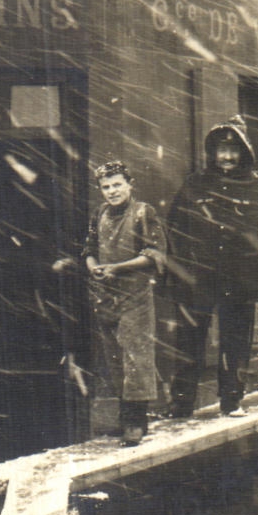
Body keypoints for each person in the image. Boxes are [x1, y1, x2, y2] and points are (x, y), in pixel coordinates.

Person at [164, 116, 258, 419]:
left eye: (234, 151)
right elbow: (174, 228)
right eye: (221, 150)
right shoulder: (195, 184)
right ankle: (181, 403)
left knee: (235, 340)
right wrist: (180, 269)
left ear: (245, 152)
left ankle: (232, 400)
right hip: (198, 278)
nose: (227, 157)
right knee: (189, 340)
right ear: (212, 152)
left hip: (239, 280)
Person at [53, 161, 168, 446]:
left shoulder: (144, 212)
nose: (112, 191)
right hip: (105, 295)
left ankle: (136, 421)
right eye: (106, 187)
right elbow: (89, 250)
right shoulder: (100, 214)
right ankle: (123, 415)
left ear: (130, 184)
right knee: (114, 357)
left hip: (135, 295)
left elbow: (154, 255)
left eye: (117, 185)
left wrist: (118, 267)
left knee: (135, 356)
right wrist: (94, 267)